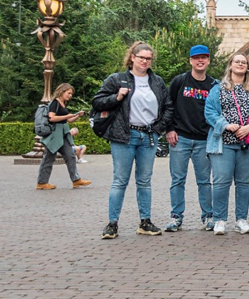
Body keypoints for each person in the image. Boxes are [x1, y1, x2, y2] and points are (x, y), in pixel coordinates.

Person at [94, 41, 173, 239]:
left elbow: (168, 107)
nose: (145, 61)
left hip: (148, 136)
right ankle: (112, 223)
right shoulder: (117, 80)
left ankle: (145, 222)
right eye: (141, 58)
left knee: (144, 181)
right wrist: (116, 97)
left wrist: (158, 128)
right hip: (124, 136)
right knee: (120, 181)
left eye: (148, 58)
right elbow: (97, 101)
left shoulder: (157, 82)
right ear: (132, 58)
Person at [204, 53, 249, 235]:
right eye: (237, 61)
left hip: (248, 143)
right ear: (230, 65)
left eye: (244, 62)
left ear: (247, 67)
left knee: (244, 182)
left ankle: (241, 219)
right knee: (221, 182)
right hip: (224, 142)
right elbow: (209, 112)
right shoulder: (217, 89)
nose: (240, 64)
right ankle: (220, 220)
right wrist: (227, 125)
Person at [164, 45, 217, 232]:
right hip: (180, 138)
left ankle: (208, 216)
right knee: (177, 179)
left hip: (203, 140)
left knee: (204, 181)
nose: (200, 61)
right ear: (190, 61)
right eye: (196, 58)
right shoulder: (180, 81)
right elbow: (167, 106)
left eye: (204, 57)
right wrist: (169, 129)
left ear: (209, 60)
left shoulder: (214, 85)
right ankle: (176, 217)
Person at [36, 83, 92, 190]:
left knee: (70, 155)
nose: (70, 95)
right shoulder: (55, 103)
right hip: (54, 135)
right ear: (62, 91)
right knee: (48, 158)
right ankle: (42, 182)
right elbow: (51, 118)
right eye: (68, 93)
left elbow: (68, 120)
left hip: (63, 134)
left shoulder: (63, 103)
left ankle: (76, 180)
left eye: (71, 94)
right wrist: (67, 115)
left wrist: (76, 116)